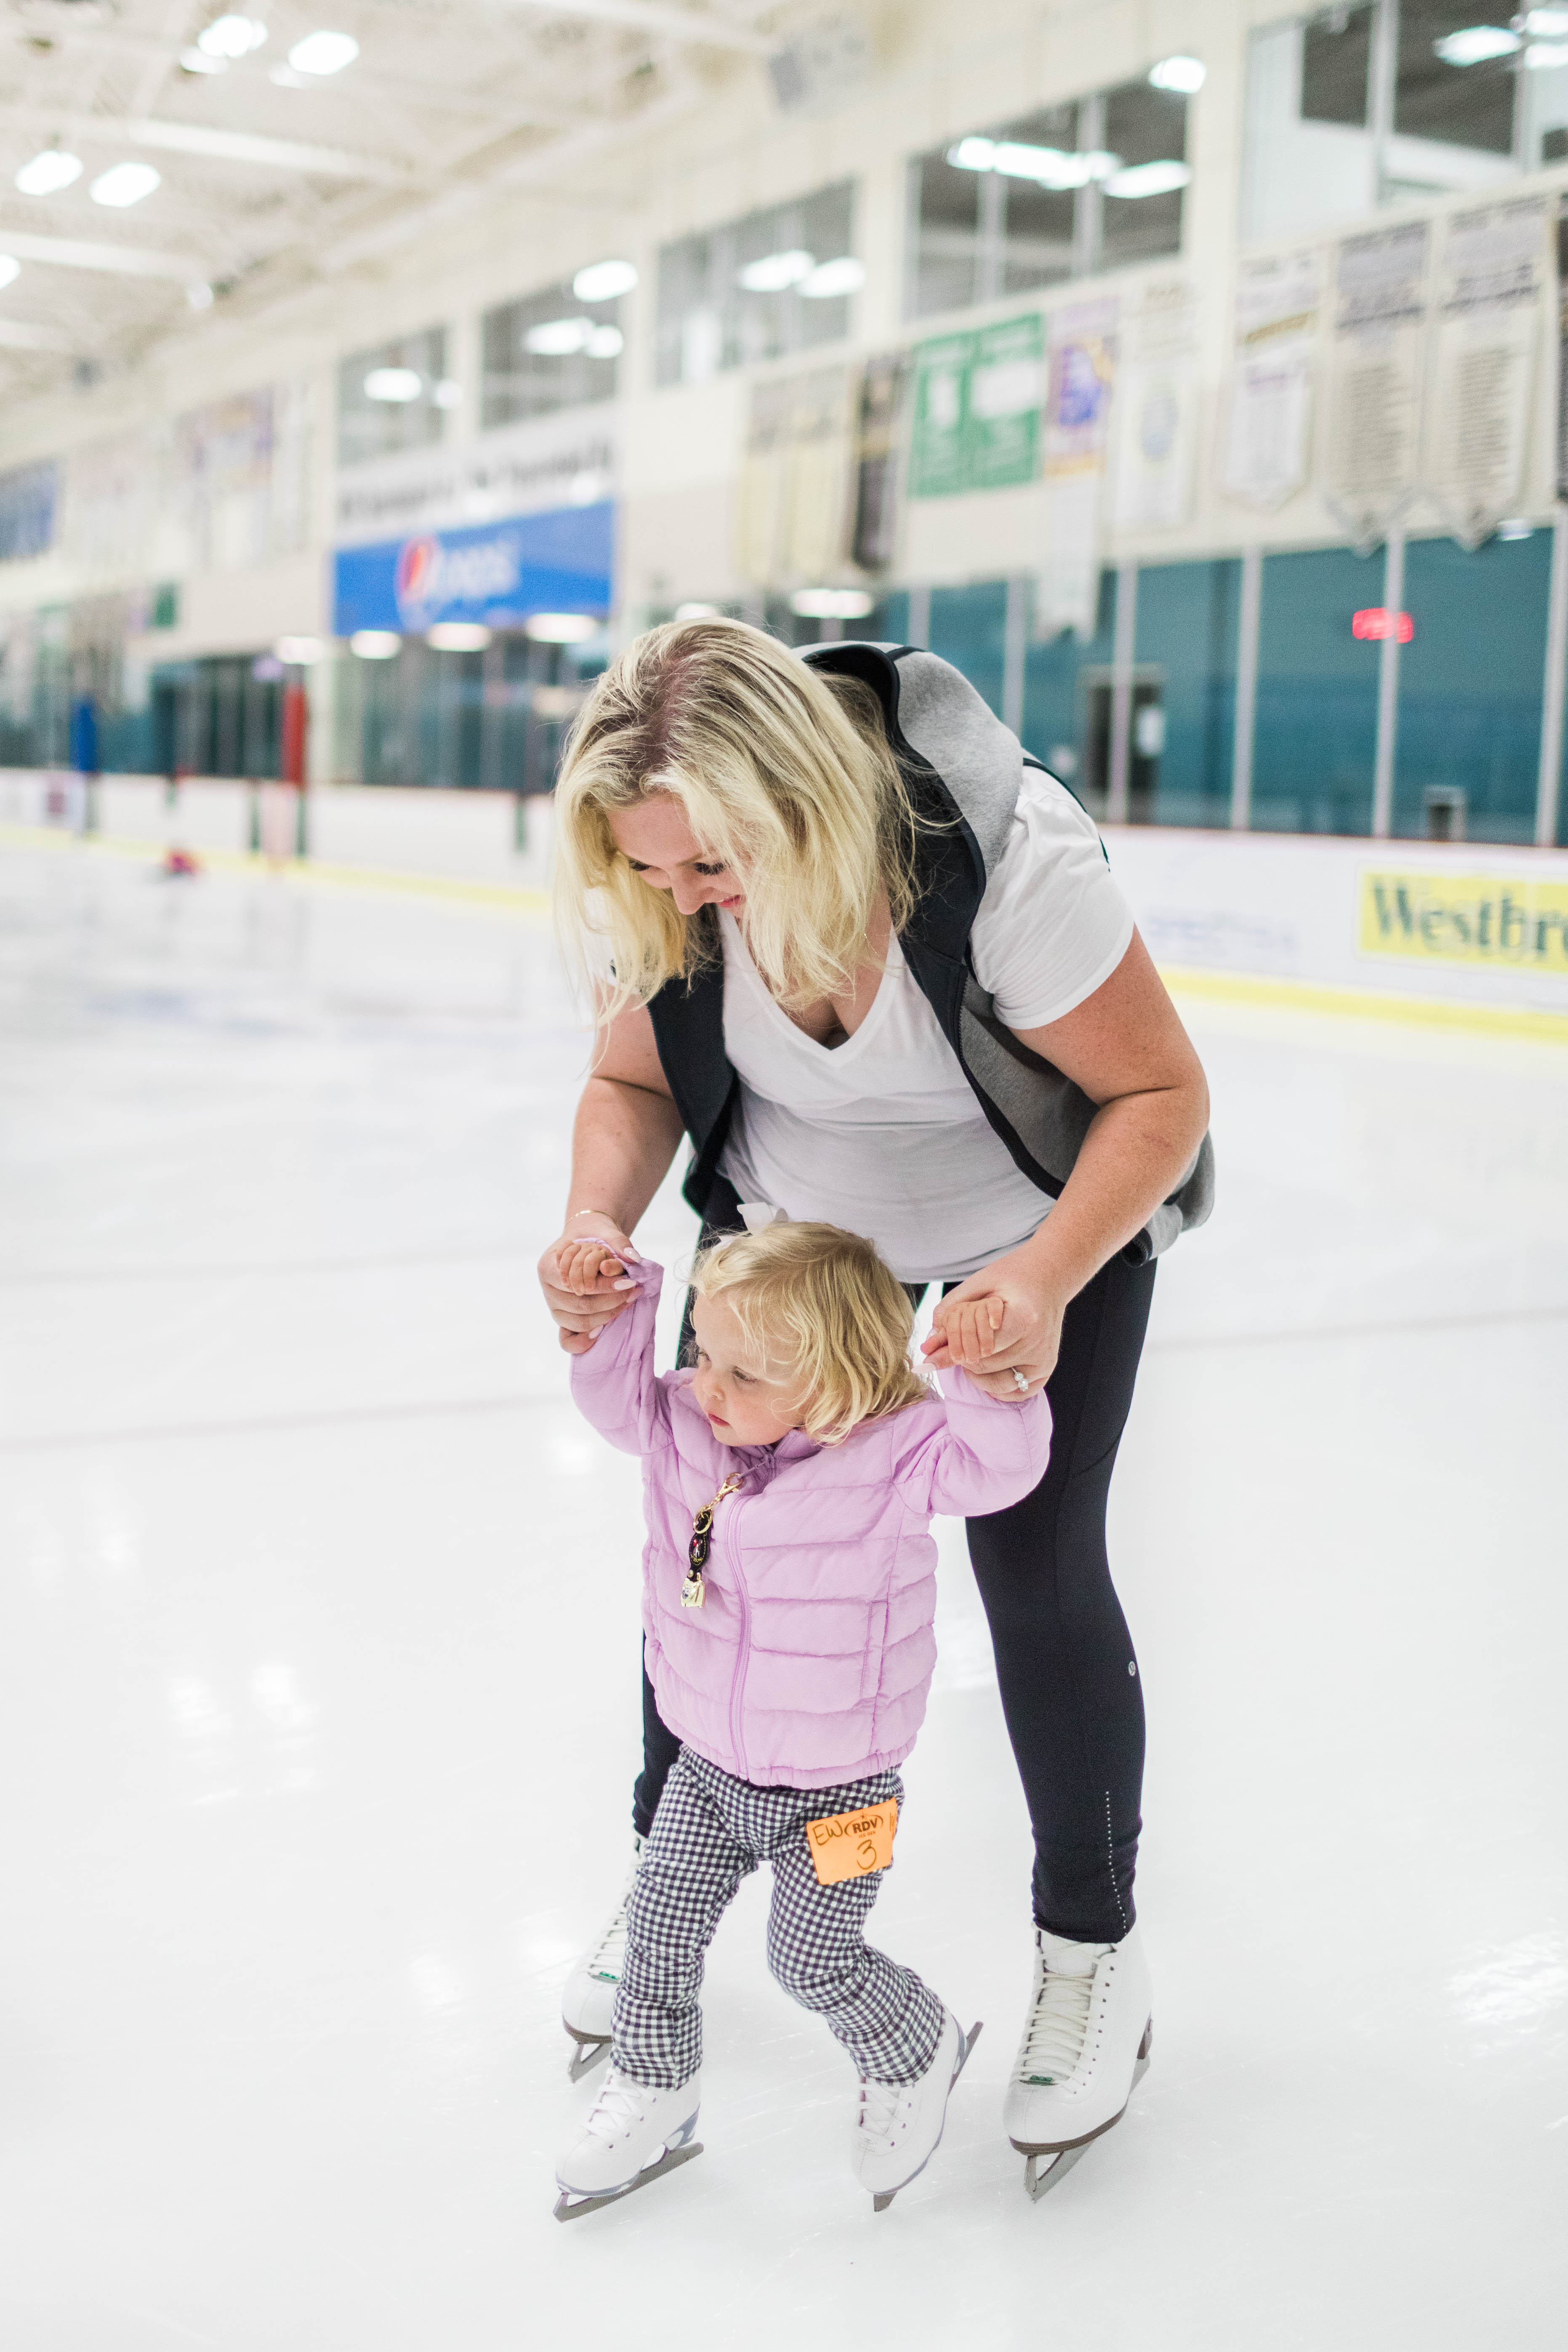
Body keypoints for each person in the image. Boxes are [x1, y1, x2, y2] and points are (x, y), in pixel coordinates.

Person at [538, 617, 1212, 2195]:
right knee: (711, 1527)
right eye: (651, 876)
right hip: (790, 1226)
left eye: (710, 867)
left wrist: (1040, 1282)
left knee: (1033, 1564)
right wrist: (594, 1221)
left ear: (800, 802)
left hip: (1026, 1228)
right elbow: (631, 1081)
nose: (682, 905)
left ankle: (1087, 1948)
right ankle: (670, 1875)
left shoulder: (1002, 855)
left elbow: (1158, 1097)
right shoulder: (675, 883)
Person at [552, 1219, 1050, 2217]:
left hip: (843, 1786)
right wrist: (613, 1308)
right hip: (706, 1768)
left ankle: (916, 2049)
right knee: (656, 1936)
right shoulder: (686, 1423)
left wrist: (984, 1374)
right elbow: (615, 1402)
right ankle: (655, 2088)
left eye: (744, 1371)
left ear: (835, 1380)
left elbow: (1002, 1471)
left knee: (811, 1958)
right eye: (703, 1351)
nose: (708, 1385)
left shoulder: (901, 1455)